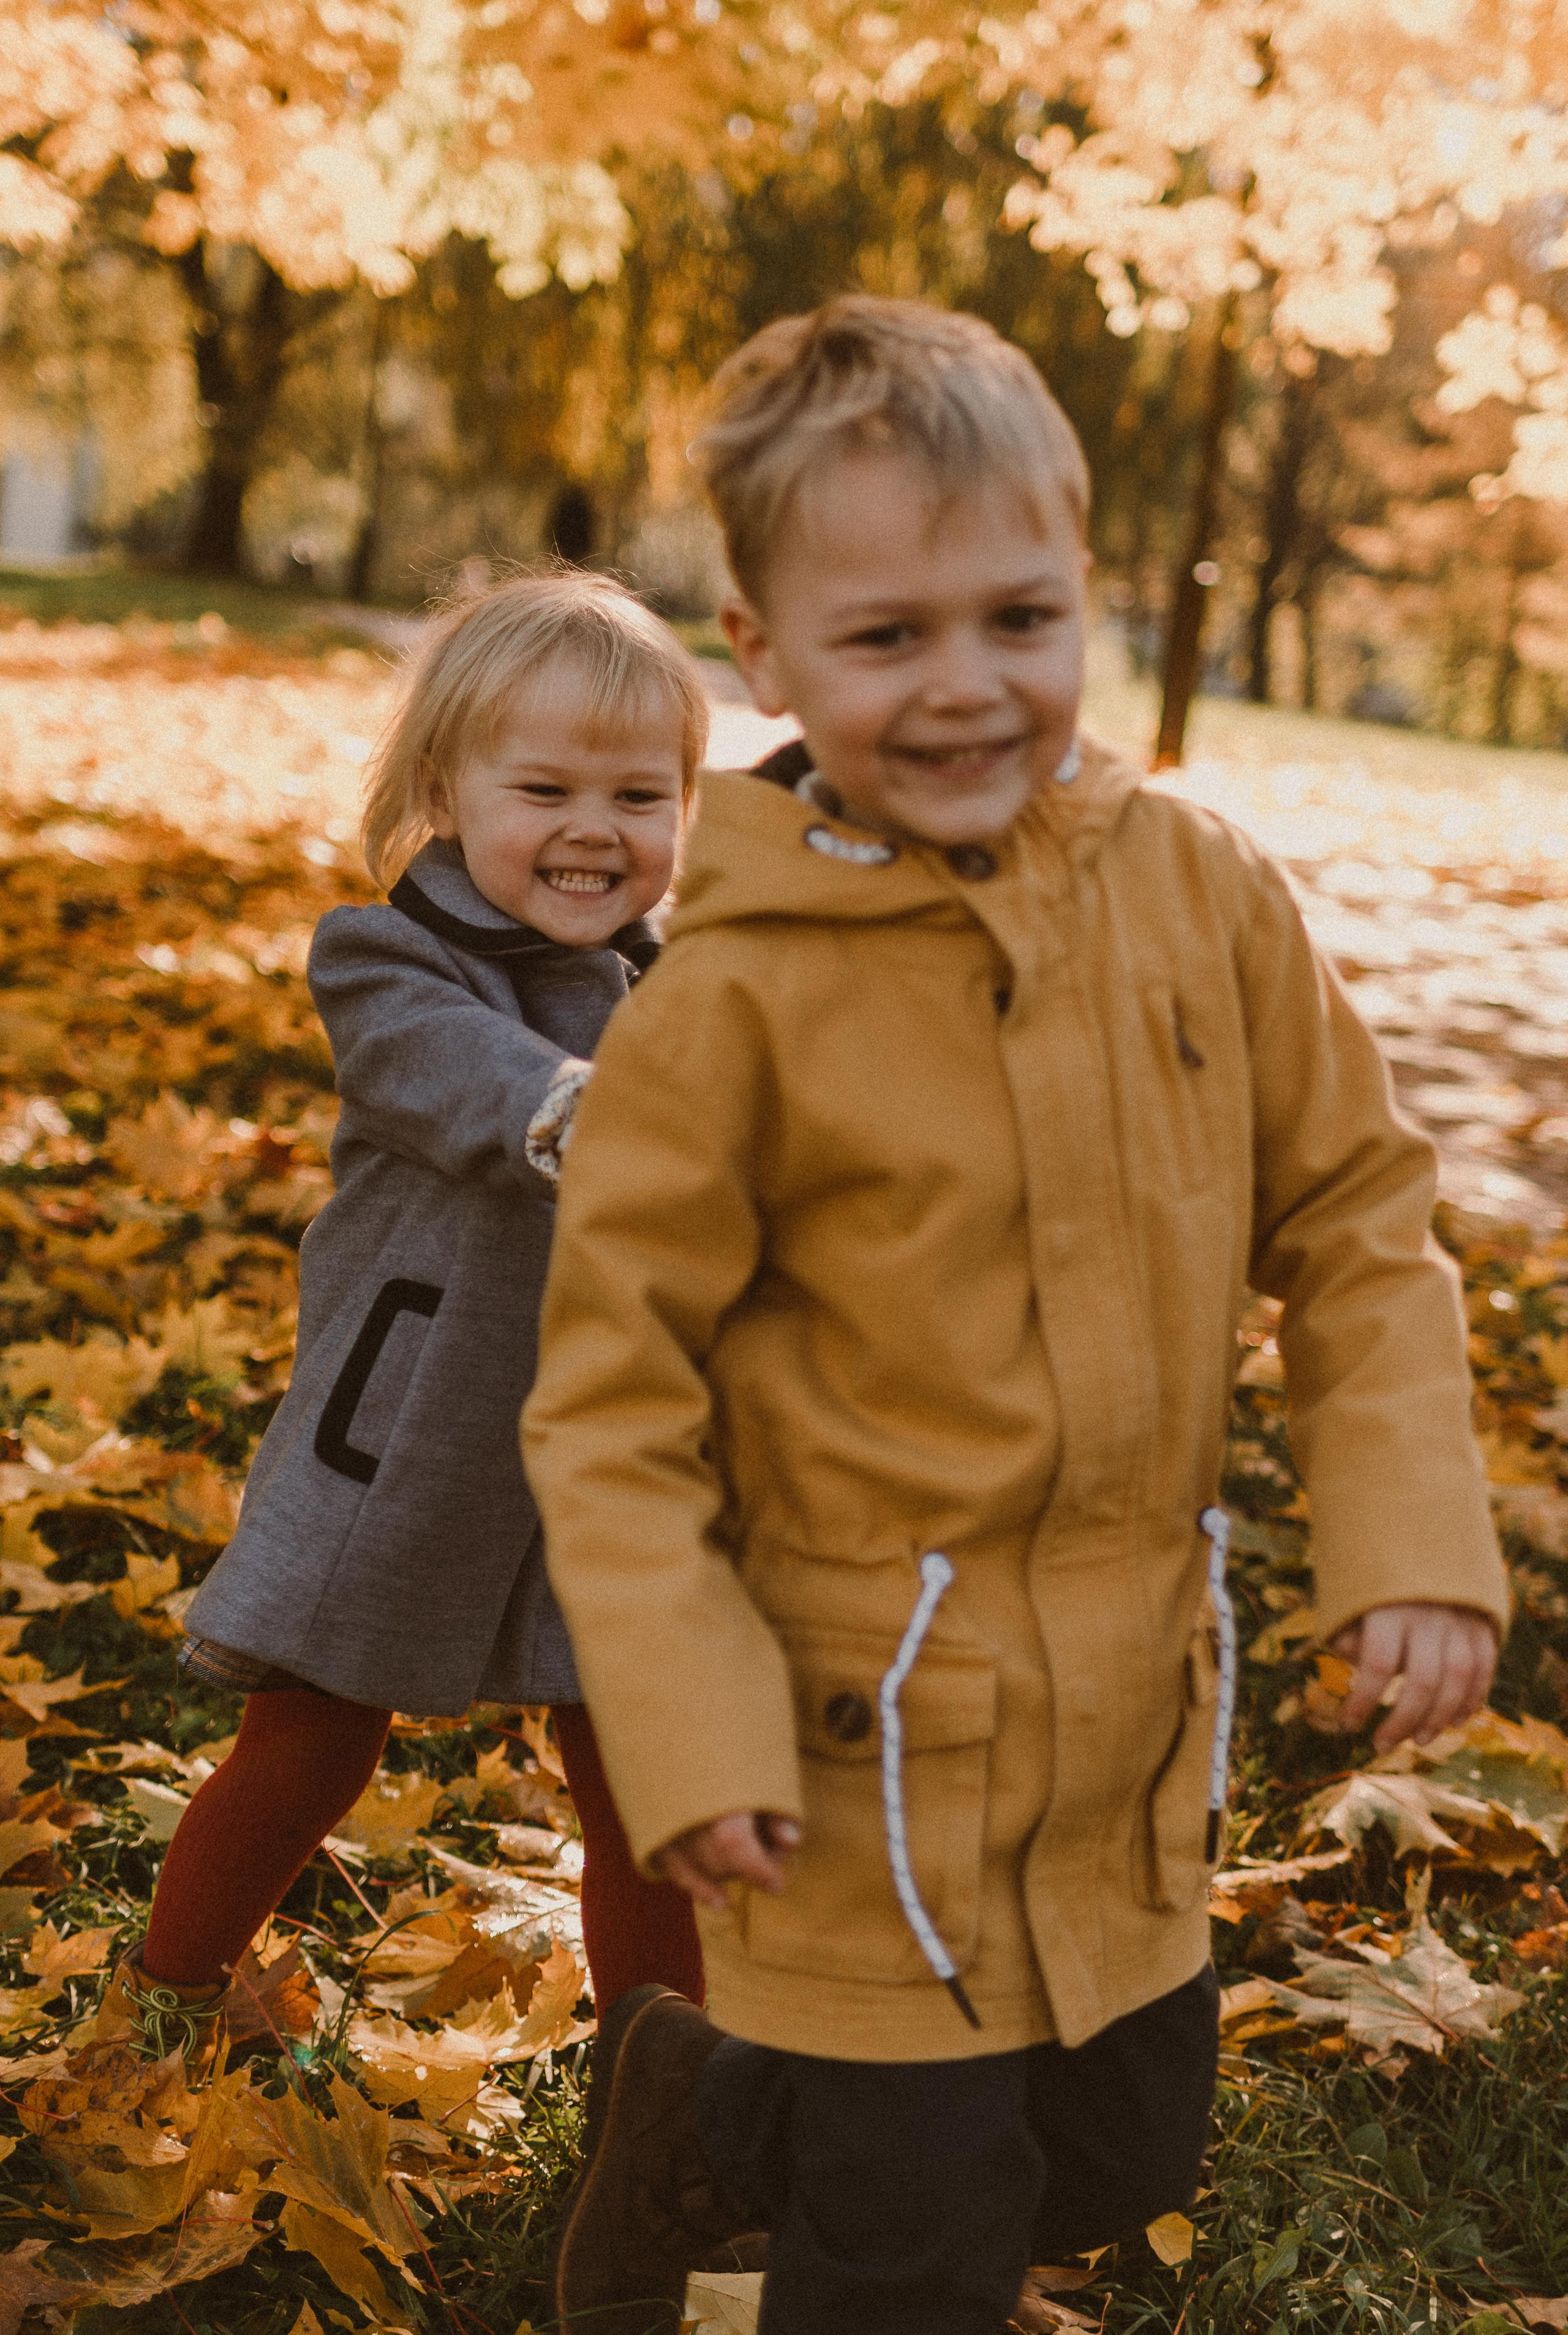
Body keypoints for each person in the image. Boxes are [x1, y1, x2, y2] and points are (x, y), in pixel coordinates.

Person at [521, 298, 1510, 2335]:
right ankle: (794, 2148)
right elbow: (617, 1405)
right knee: (917, 2256)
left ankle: (708, 2102)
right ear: (767, 657)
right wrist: (685, 1726)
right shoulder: (730, 1006)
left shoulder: (1197, 890)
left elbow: (1354, 1205)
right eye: (890, 640)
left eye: (1021, 620)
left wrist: (1411, 1540)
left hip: (1125, 1724)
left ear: (1089, 597)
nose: (969, 688)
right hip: (852, 1748)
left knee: (1121, 2154)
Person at [100, 571, 709, 2062]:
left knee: (640, 1762)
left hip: (612, 1458)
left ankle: (662, 2079)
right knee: (316, 1732)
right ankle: (163, 1996)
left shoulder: (686, 986)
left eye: (640, 794)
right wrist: (600, 1110)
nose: (593, 828)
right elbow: (461, 1075)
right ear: (445, 789)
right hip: (412, 1434)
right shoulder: (385, 959)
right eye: (545, 786)